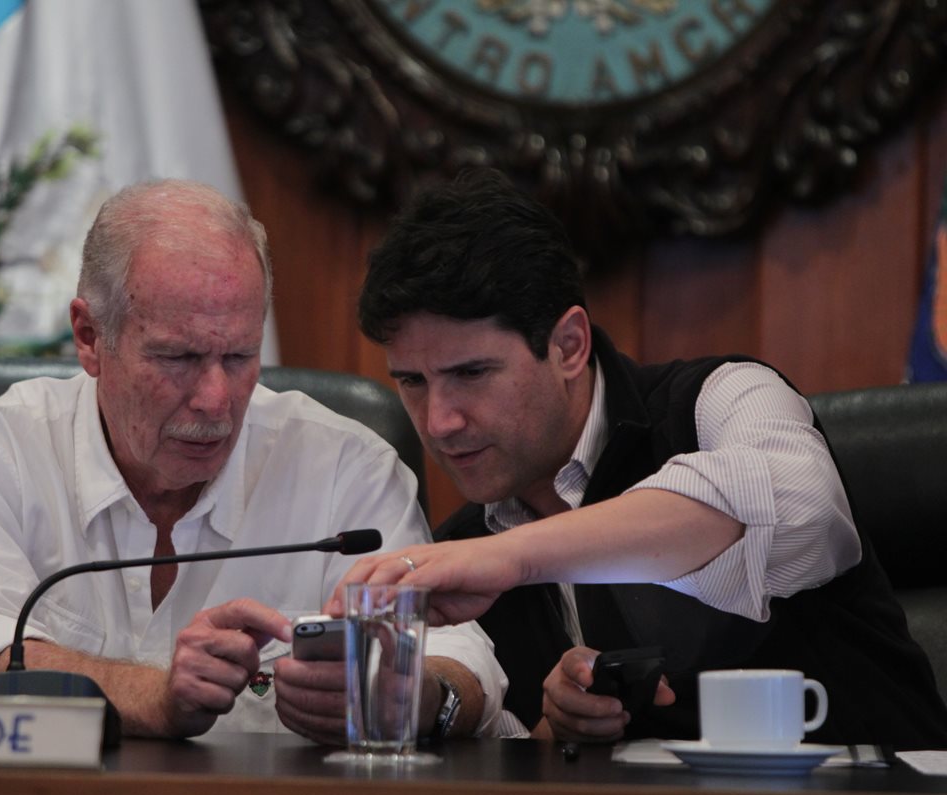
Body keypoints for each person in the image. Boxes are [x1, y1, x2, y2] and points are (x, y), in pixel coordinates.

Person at [331, 168, 947, 748]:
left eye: (472, 373)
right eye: (411, 382)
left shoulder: (723, 398)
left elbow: (789, 501)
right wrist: (558, 730)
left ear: (569, 345)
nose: (440, 421)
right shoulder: (467, 553)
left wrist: (510, 559)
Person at [0, 179, 506, 741]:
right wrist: (157, 694)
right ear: (89, 337)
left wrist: (419, 698)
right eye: (178, 358)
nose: (216, 399)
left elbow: (462, 657)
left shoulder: (346, 467)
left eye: (240, 356)